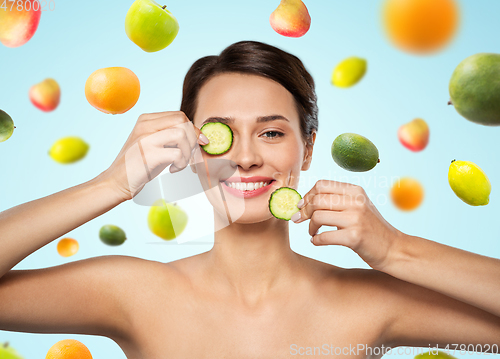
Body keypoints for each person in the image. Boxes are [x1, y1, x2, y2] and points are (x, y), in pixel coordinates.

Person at [0, 40, 499, 359]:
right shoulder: (134, 292)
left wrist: (396, 250)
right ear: (189, 148)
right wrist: (111, 184)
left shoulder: (370, 302)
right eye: (219, 134)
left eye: (271, 133)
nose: (243, 158)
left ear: (306, 150)